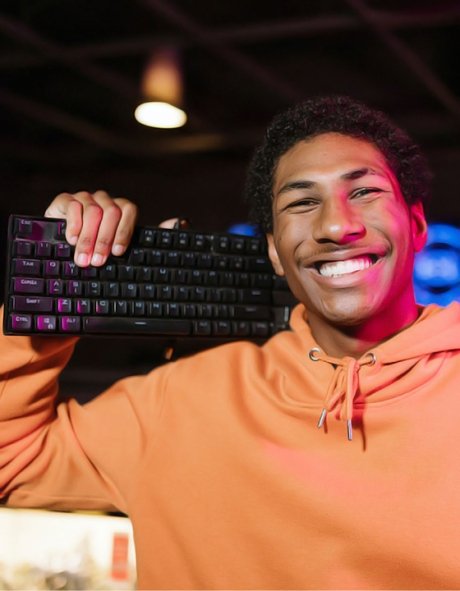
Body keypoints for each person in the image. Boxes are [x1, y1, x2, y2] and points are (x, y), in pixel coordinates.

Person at [1, 95, 460, 590]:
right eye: (303, 202)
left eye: (365, 192)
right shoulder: (178, 401)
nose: (335, 226)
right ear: (275, 252)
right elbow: (11, 462)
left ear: (416, 225)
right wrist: (58, 288)